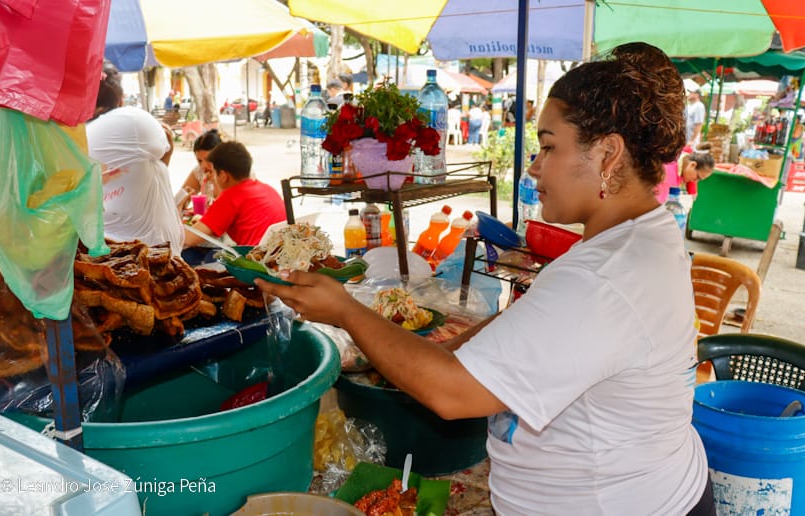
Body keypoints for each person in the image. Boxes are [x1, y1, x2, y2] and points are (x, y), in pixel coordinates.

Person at [257, 42, 713, 515]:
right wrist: (429, 351)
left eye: (550, 146)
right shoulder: (638, 235)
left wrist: (346, 312)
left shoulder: (604, 277)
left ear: (608, 154)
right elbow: (527, 324)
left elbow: (452, 394)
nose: (534, 166)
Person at [87, 61, 184, 255]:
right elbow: (163, 144)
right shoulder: (132, 120)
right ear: (121, 99)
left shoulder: (75, 135)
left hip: (105, 254)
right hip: (150, 256)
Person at [182, 141, 286, 248]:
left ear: (222, 175)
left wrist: (179, 206)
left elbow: (189, 239)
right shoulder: (267, 189)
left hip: (258, 260)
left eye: (214, 172)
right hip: (283, 254)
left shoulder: (230, 198)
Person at [175, 128, 223, 211]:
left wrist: (215, 182)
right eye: (199, 160)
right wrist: (184, 199)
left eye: (209, 160)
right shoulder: (199, 172)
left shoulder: (230, 172)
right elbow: (176, 203)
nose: (203, 166)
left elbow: (226, 206)